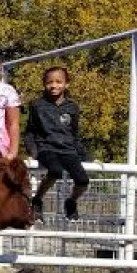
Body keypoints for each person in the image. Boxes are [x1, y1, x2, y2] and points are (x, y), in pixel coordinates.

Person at [25, 66, 90, 222]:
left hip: (68, 150)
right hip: (46, 148)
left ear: (66, 84)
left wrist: (87, 156)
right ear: (44, 84)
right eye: (50, 82)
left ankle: (71, 201)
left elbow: (74, 134)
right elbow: (29, 132)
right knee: (55, 171)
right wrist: (32, 152)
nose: (54, 85)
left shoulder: (72, 107)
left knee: (83, 180)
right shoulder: (37, 105)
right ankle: (37, 199)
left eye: (58, 82)